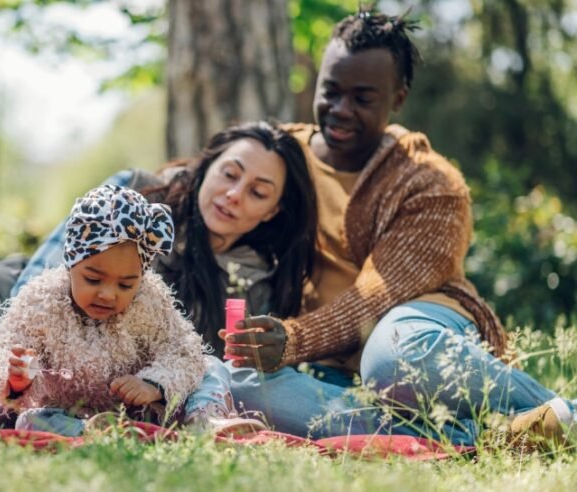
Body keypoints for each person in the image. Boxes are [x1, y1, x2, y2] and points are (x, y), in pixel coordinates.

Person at [0, 121, 318, 433]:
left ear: (273, 211)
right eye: (231, 173)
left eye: (258, 191)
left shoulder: (253, 285)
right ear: (208, 166)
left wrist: (17, 380)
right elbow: (45, 273)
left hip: (34, 380)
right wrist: (11, 345)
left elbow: (192, 364)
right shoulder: (136, 192)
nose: (234, 194)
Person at [221, 8, 576, 448]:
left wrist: (293, 339)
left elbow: (376, 297)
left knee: (392, 355)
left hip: (417, 325)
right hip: (327, 365)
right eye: (330, 91)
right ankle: (467, 437)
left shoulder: (431, 184)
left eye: (362, 99)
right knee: (241, 385)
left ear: (399, 98)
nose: (339, 110)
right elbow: (200, 181)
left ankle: (565, 415)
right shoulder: (280, 157)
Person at [0, 185, 209, 436]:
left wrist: (152, 384)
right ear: (71, 263)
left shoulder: (150, 299)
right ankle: (93, 432)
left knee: (211, 368)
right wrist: (16, 380)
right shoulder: (40, 302)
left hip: (138, 409)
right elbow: (8, 350)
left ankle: (204, 421)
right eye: (92, 279)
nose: (108, 294)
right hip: (69, 413)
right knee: (30, 421)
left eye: (125, 284)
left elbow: (184, 350)